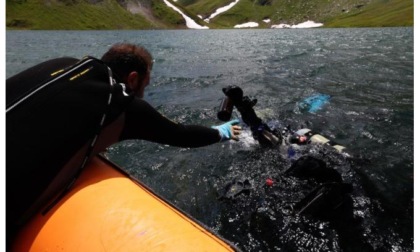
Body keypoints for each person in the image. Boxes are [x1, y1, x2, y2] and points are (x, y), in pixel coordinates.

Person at [6, 43, 241, 244]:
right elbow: (182, 135)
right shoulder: (122, 103)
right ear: (133, 79)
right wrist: (221, 132)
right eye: (145, 87)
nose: (143, 94)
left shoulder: (62, 62)